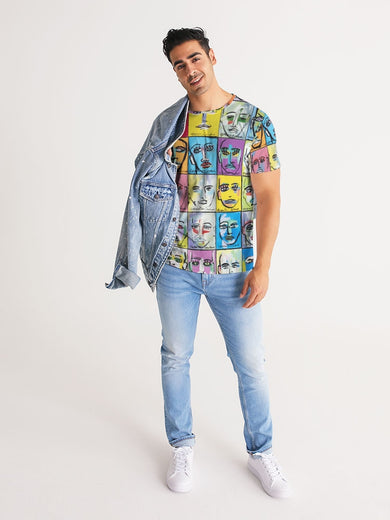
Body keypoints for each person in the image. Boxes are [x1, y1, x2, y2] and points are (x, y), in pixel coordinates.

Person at [106, 27, 291, 498]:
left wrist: (263, 265)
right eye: (179, 65)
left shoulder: (253, 121)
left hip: (235, 269)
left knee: (251, 363)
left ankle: (262, 453)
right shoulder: (169, 124)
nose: (190, 69)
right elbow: (141, 192)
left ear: (211, 56)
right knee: (175, 357)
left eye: (194, 58)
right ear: (174, 72)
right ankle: (182, 446)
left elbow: (269, 197)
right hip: (176, 267)